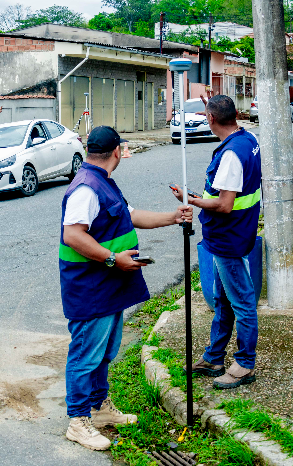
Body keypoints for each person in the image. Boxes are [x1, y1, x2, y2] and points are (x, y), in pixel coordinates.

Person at [60, 126, 193, 451]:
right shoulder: (86, 189)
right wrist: (111, 260)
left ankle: (100, 409)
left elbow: (130, 216)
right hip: (91, 288)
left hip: (108, 287)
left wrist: (173, 217)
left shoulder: (102, 182)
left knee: (105, 353)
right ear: (117, 151)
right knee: (85, 356)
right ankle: (78, 422)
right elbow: (73, 236)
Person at [172, 95, 261, 390]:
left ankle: (245, 364)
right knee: (223, 300)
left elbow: (224, 205)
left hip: (228, 238)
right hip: (233, 233)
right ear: (235, 114)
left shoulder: (232, 155)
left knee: (242, 301)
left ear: (210, 120)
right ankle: (213, 357)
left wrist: (192, 200)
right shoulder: (247, 139)